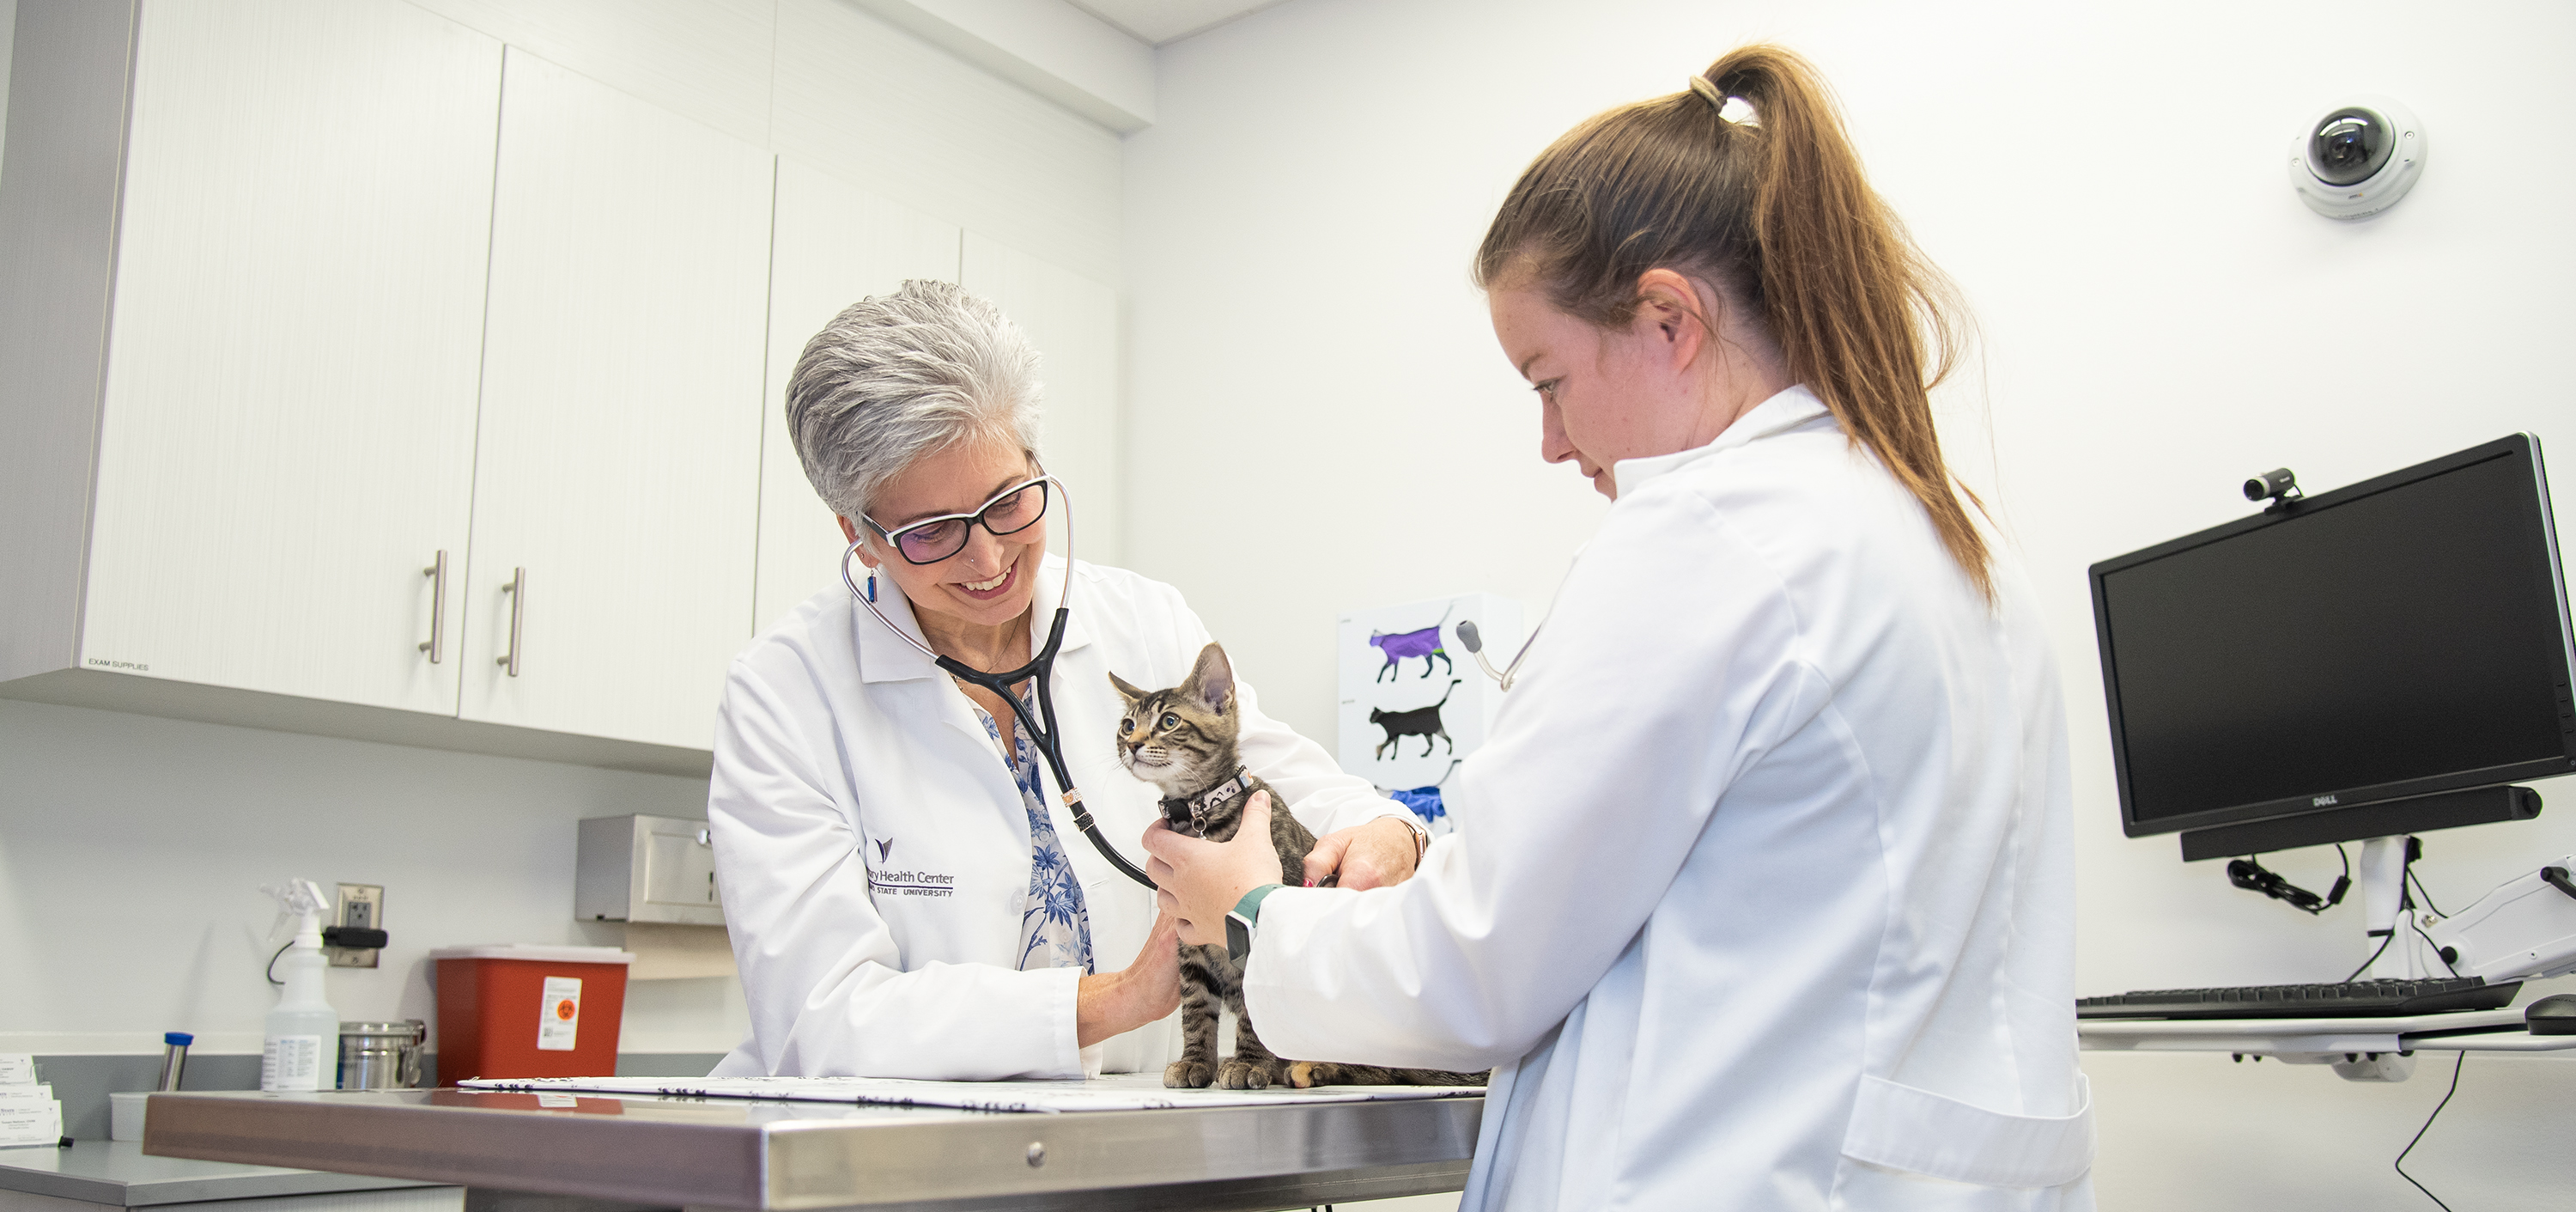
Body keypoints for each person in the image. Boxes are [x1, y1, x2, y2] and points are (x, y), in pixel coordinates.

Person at [1146, 46, 2093, 1209]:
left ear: (1667, 318)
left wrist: (1254, 907)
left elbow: (1481, 971)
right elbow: (1740, 882)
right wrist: (1442, 858)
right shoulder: (1953, 540)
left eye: (1547, 380)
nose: (1551, 441)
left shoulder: (1710, 539)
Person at [706, 280, 1430, 1080]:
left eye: (1008, 501)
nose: (988, 560)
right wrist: (1116, 999)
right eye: (931, 531)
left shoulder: (1142, 618)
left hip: (1129, 1141)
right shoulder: (785, 693)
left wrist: (1393, 836)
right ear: (860, 535)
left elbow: (1298, 793)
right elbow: (823, 1020)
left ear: (1036, 461)